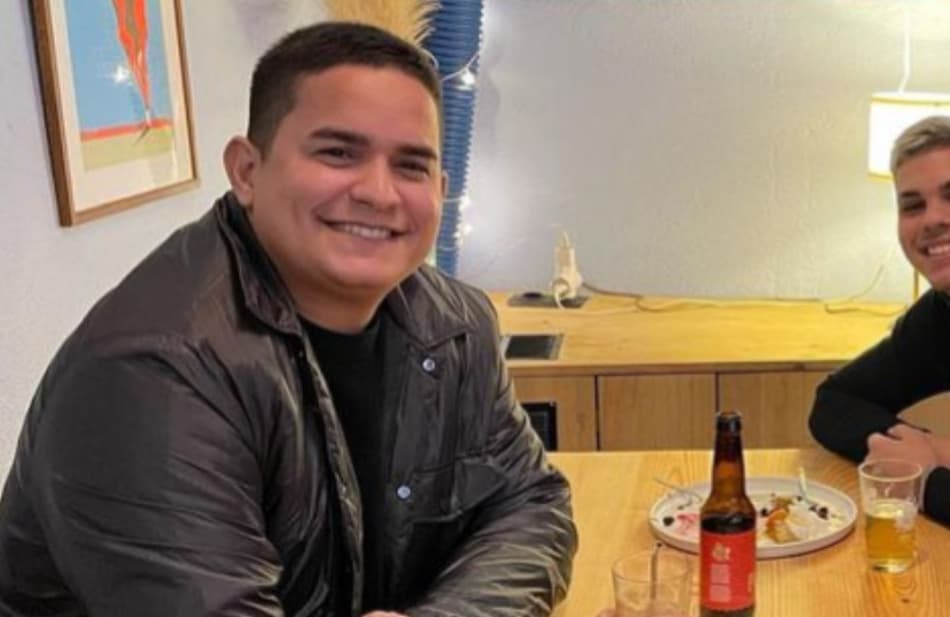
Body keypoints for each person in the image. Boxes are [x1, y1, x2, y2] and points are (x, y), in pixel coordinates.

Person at [0, 22, 576, 616]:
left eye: (411, 166)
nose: (380, 193)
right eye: (338, 153)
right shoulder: (155, 372)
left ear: (441, 188)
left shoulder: (455, 321)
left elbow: (531, 504)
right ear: (247, 171)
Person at [809, 115, 950, 526]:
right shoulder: (939, 315)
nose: (932, 219)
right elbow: (834, 403)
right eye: (913, 205)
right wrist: (925, 449)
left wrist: (926, 478)